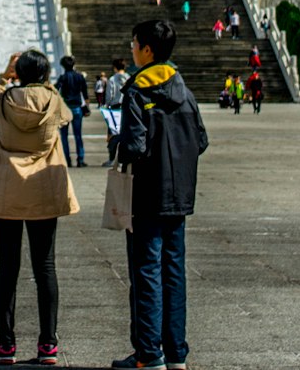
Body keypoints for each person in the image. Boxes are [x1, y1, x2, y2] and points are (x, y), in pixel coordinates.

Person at [0, 48, 79, 366]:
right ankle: (48, 345)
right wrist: (45, 84)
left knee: (6, 267)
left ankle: (6, 345)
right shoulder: (53, 100)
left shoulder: (4, 102)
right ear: (45, 76)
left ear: (19, 73)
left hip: (6, 192)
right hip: (43, 191)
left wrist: (3, 78)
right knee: (45, 267)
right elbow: (67, 115)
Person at [116, 19, 208, 370]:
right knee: (173, 271)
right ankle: (176, 354)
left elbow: (134, 148)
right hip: (179, 195)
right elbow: (201, 141)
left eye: (134, 43)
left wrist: (119, 141)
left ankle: (148, 353)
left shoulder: (137, 91)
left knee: (146, 272)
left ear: (148, 50)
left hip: (147, 195)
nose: (131, 48)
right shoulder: (185, 91)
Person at [54, 56, 89, 167]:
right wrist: (86, 107)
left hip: (65, 108)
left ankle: (67, 159)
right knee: (78, 135)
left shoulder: (62, 77)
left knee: (64, 135)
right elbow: (85, 93)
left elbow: (55, 90)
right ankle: (80, 159)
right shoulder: (79, 77)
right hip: (77, 108)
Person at [102, 58, 129, 166]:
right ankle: (124, 158)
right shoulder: (129, 78)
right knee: (125, 133)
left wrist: (107, 105)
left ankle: (112, 158)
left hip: (115, 107)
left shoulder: (112, 79)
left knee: (112, 134)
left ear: (115, 67)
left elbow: (109, 96)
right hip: (127, 107)